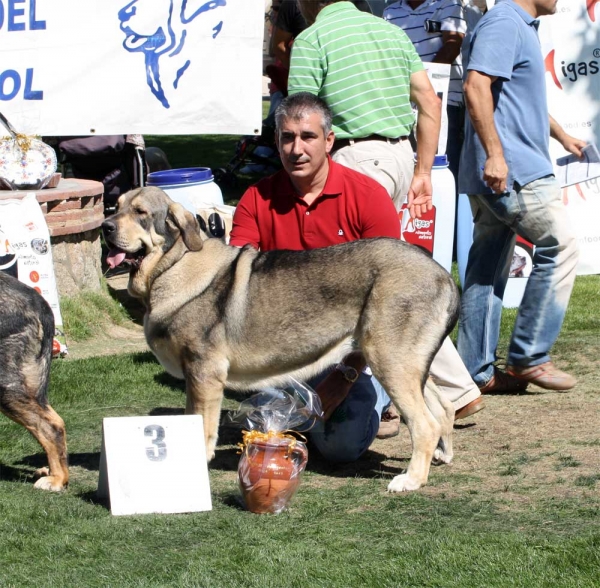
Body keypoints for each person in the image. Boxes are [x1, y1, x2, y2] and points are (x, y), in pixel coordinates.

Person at [229, 93, 473, 463]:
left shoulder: (367, 196)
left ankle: (385, 391)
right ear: (276, 141)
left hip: (355, 352)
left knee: (340, 447)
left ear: (329, 141)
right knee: (266, 431)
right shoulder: (256, 199)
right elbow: (239, 283)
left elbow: (394, 296)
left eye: (308, 137)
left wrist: (345, 377)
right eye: (287, 138)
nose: (296, 149)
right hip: (286, 351)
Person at [286, 2, 484, 423]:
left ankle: (398, 395)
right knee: (389, 283)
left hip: (354, 161)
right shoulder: (390, 32)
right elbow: (430, 102)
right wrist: (424, 169)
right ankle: (451, 389)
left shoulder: (312, 39)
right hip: (398, 155)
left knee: (364, 288)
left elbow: (298, 118)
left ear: (307, 3)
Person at [457, 0, 585, 392]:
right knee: (560, 246)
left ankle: (473, 373)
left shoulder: (516, 25)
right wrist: (496, 155)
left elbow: (513, 98)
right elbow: (476, 85)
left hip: (499, 171)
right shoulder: (504, 22)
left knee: (486, 269)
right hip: (513, 171)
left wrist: (562, 136)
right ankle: (529, 355)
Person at [383, 0, 467, 184]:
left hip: (444, 103)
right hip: (401, 104)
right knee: (408, 167)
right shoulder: (390, 11)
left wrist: (420, 85)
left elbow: (452, 46)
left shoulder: (449, 4)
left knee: (442, 170)